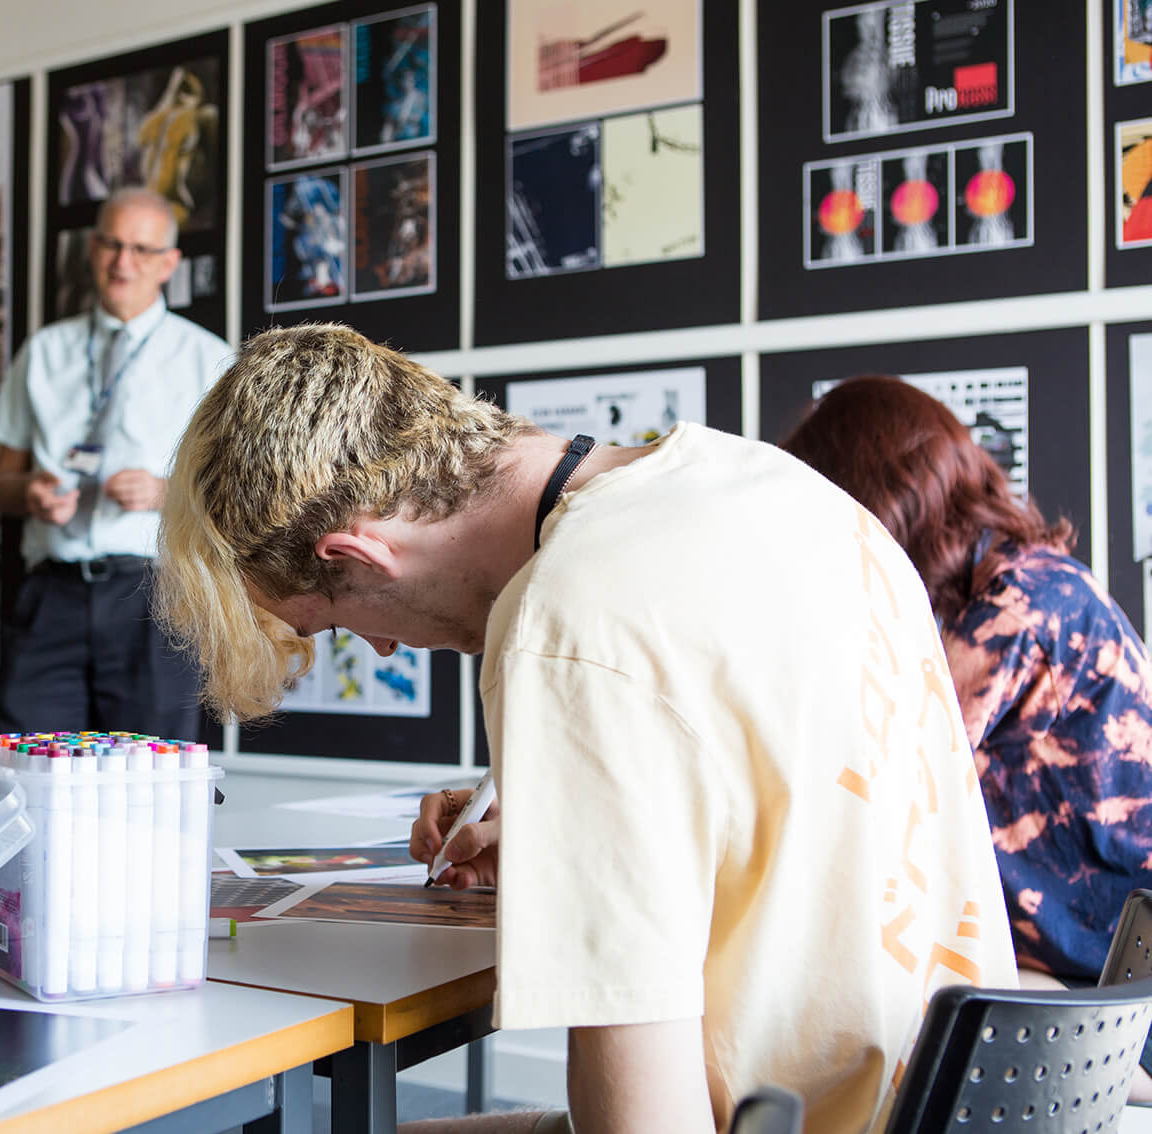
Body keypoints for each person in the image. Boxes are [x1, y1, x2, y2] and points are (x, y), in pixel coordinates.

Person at [152, 325, 1016, 1132]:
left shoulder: (567, 619)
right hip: (964, 1099)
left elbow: (643, 1123)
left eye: (339, 624)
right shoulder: (779, 490)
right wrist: (573, 845)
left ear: (358, 555)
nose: (383, 645)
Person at [781, 375, 1152, 984]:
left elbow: (876, 783)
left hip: (1107, 995)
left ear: (877, 504)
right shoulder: (1016, 584)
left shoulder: (1020, 603)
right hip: (1078, 974)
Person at [0, 186, 230, 738]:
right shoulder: (44, 351)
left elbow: (240, 497)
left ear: (169, 263)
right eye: (112, 244)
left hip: (156, 595)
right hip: (51, 593)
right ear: (92, 249)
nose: (123, 263)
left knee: (150, 779)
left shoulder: (208, 359)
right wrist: (28, 493)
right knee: (25, 768)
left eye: (141, 250)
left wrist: (166, 492)